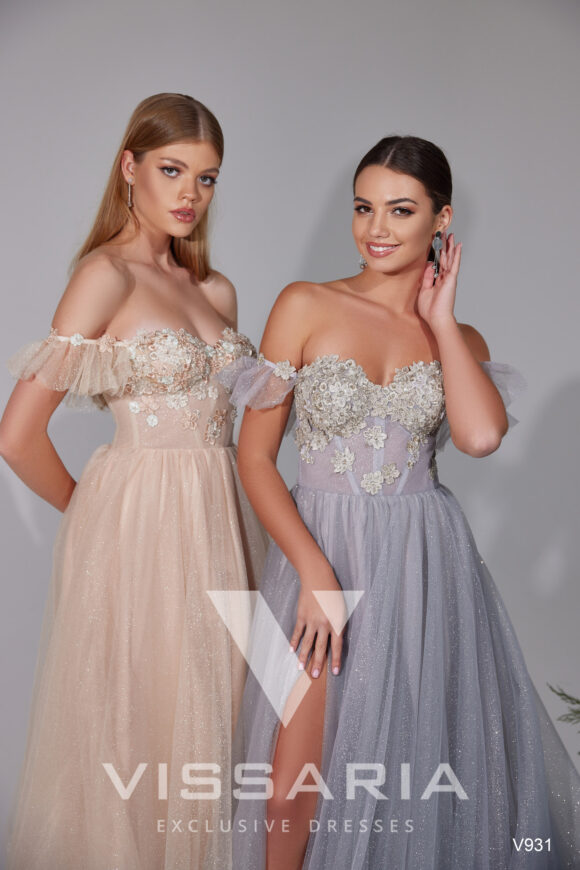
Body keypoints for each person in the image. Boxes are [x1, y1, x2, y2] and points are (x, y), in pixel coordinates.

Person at [224, 136, 580, 869]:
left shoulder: (458, 336)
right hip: (322, 551)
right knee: (290, 792)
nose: (376, 228)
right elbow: (254, 458)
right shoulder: (305, 304)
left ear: (441, 220)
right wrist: (315, 574)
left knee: (407, 782)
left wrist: (442, 321)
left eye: (401, 210)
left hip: (423, 564)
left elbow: (480, 437)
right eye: (364, 208)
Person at [0, 92, 268, 870]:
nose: (190, 194)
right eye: (172, 170)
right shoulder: (105, 276)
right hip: (140, 531)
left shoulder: (216, 291)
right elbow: (16, 435)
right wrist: (90, 515)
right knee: (138, 723)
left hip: (223, 525)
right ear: (130, 167)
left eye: (207, 178)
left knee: (215, 723)